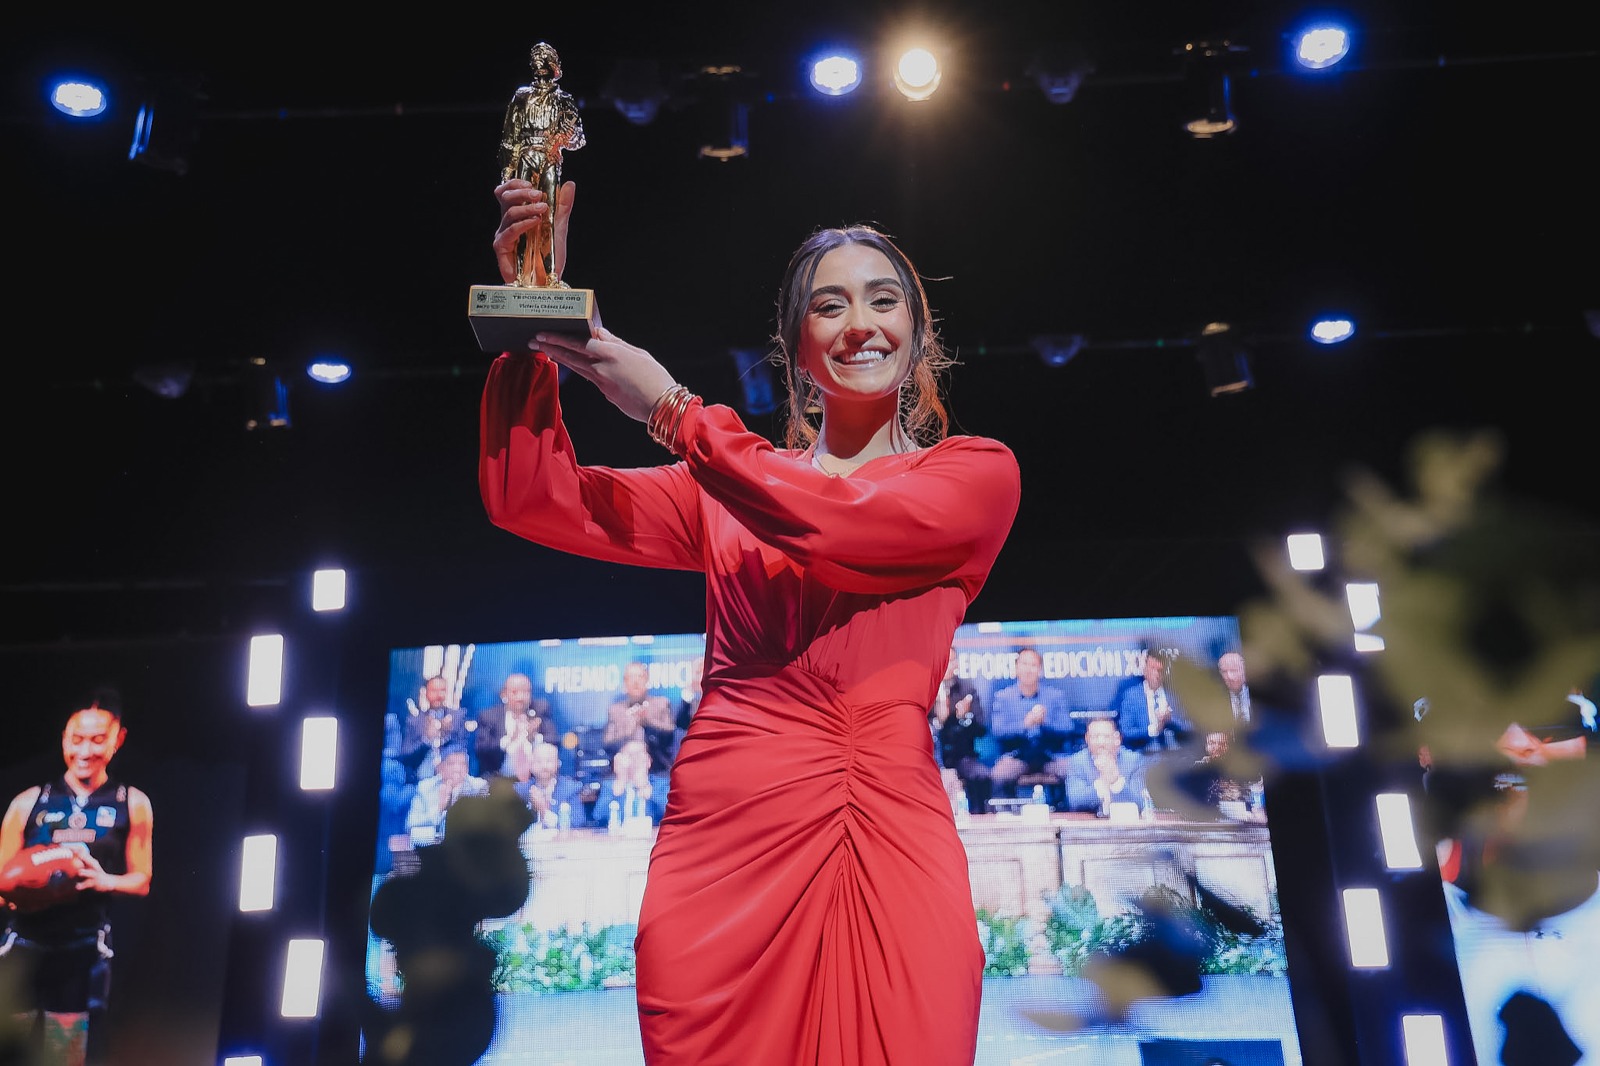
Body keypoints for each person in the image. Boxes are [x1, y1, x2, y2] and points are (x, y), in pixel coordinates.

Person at [480, 177, 1020, 1064]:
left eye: (884, 301)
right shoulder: (727, 492)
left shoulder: (974, 475)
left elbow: (840, 529)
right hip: (726, 842)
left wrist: (675, 412)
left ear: (920, 332)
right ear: (797, 346)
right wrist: (533, 323)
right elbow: (530, 495)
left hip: (884, 829)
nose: (860, 325)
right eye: (830, 306)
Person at [0, 691, 153, 1066]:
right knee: (10, 1048)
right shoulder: (29, 802)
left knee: (63, 1056)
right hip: (26, 944)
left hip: (82, 948)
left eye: (98, 739)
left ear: (118, 739)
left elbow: (142, 879)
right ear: (64, 739)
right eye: (76, 739)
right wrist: (29, 892)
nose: (85, 750)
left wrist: (106, 881)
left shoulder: (130, 802)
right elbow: (1, 883)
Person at [497, 41, 585, 288]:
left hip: (550, 158)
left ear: (552, 63)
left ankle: (550, 276)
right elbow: (510, 136)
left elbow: (579, 138)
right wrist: (506, 171)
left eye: (542, 56)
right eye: (535, 57)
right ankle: (520, 277)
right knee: (524, 218)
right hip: (526, 155)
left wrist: (565, 137)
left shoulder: (564, 99)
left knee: (547, 217)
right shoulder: (521, 96)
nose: (537, 60)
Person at [989, 647, 1076, 801]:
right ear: (1016, 668)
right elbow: (998, 731)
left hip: (1050, 756)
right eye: (1024, 664)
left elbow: (1067, 727)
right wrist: (1025, 724)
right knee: (998, 775)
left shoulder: (1055, 696)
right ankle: (1004, 813)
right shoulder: (1003, 697)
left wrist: (1044, 723)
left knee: (1073, 771)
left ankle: (1067, 812)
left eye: (1033, 665)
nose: (1028, 670)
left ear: (1040, 670)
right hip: (1017, 756)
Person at [928, 644, 991, 815]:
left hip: (961, 756)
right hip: (930, 759)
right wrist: (937, 720)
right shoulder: (925, 689)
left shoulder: (967, 690)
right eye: (944, 661)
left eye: (952, 660)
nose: (949, 665)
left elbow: (981, 729)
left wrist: (964, 718)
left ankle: (979, 818)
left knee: (981, 775)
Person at [473, 671, 559, 778]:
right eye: (515, 692)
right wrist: (509, 740)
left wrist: (534, 738)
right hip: (498, 778)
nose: (520, 697)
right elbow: (481, 750)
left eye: (525, 692)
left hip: (534, 781)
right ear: (504, 694)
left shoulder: (540, 711)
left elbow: (554, 742)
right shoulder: (489, 716)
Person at [1111, 649, 1195, 753]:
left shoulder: (1175, 694)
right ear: (1145, 670)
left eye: (1160, 670)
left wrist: (1170, 721)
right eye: (1153, 669)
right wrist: (1153, 729)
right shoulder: (1131, 696)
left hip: (1174, 753)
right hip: (1143, 753)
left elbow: (1191, 727)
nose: (1156, 674)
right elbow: (1126, 731)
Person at [1061, 718, 1150, 815]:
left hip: (1127, 821)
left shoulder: (1134, 761)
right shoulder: (1078, 762)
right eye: (1095, 737)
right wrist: (1102, 783)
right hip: (1091, 823)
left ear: (1118, 738)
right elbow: (1074, 802)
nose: (1101, 743)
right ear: (1086, 739)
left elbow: (1140, 804)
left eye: (1106, 737)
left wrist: (1116, 782)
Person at [603, 662, 678, 774]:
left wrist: (647, 722)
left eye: (640, 676)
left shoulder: (661, 704)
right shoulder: (616, 710)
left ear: (647, 680)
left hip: (657, 769)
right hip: (623, 771)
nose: (636, 681)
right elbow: (608, 743)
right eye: (631, 677)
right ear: (625, 683)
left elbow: (670, 733)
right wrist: (631, 728)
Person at [404, 746, 488, 844]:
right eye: (451, 764)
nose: (457, 769)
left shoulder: (479, 787)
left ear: (467, 768)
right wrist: (439, 809)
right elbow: (410, 823)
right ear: (441, 767)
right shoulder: (425, 787)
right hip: (435, 848)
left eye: (462, 764)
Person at [399, 674, 468, 783]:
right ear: (426, 693)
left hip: (450, 780)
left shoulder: (457, 717)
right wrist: (427, 739)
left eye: (442, 690)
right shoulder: (414, 721)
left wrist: (447, 735)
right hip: (420, 779)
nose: (439, 695)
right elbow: (406, 755)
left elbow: (464, 750)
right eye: (434, 691)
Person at [516, 742, 589, 830]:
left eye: (549, 761)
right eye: (538, 761)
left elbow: (577, 823)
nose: (544, 766)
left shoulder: (570, 789)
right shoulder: (520, 790)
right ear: (530, 765)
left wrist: (543, 810)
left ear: (558, 764)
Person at [597, 739, 670, 827]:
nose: (634, 760)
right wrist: (620, 782)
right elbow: (599, 817)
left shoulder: (661, 784)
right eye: (629, 755)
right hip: (620, 834)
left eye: (638, 755)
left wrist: (646, 789)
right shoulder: (609, 786)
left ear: (648, 761)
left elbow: (669, 814)